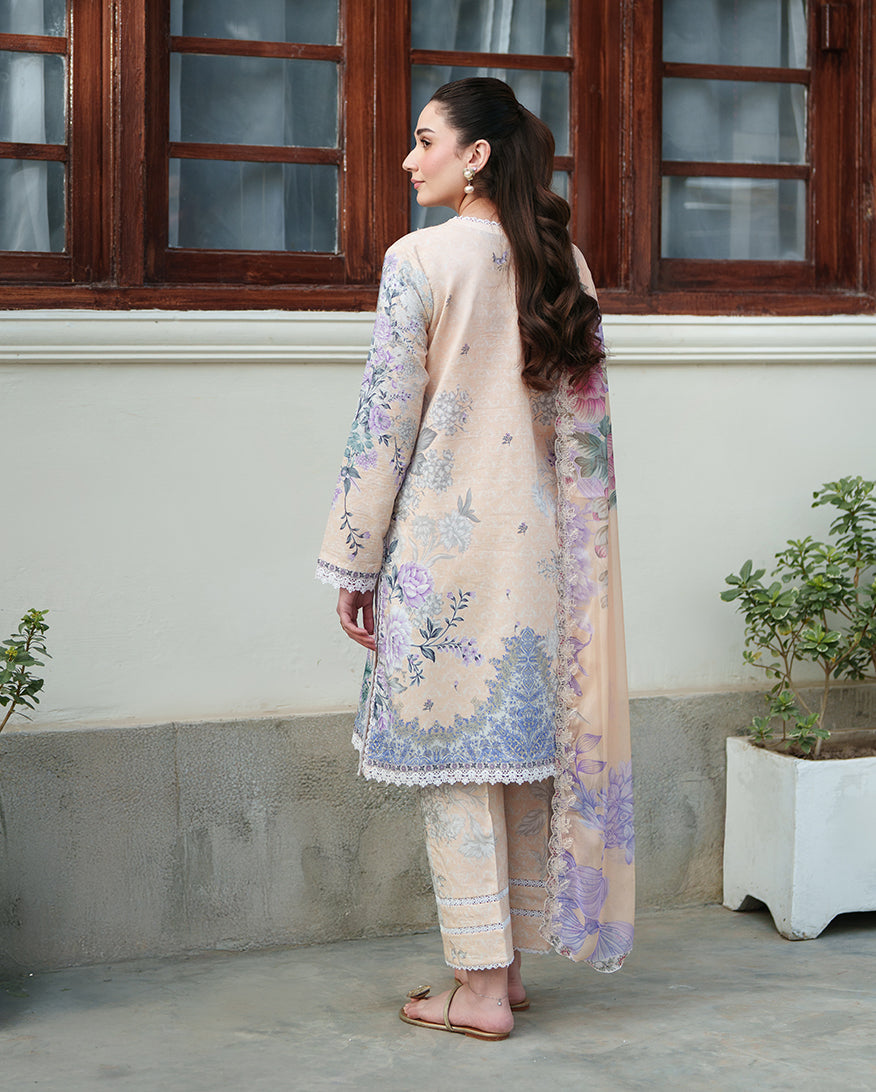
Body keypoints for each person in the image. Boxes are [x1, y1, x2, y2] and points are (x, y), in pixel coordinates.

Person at [316, 77, 634, 1041]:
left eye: (425, 140)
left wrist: (354, 561)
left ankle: (481, 991)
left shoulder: (419, 258)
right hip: (544, 560)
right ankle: (512, 973)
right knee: (524, 766)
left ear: (476, 155)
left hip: (443, 560)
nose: (409, 159)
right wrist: (590, 569)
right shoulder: (562, 263)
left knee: (457, 769)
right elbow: (588, 441)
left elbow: (384, 427)